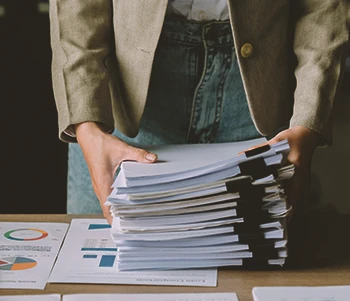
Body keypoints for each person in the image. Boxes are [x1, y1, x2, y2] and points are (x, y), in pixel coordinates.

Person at [49, 0, 349, 225]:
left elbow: (324, 9)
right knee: (104, 277)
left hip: (260, 99)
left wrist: (308, 121)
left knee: (259, 278)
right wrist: (87, 124)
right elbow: (77, 10)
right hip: (123, 106)